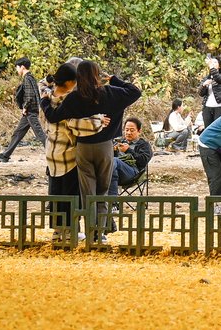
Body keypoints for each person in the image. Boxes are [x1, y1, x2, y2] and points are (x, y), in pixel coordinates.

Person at [42, 59, 142, 238]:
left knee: (87, 192)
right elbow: (135, 91)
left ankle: (88, 232)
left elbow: (54, 116)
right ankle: (99, 234)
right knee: (102, 190)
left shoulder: (74, 97)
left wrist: (45, 102)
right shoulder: (110, 92)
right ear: (97, 74)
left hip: (83, 148)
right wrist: (114, 79)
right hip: (105, 147)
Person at [40, 62, 105, 242]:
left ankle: (57, 231)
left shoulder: (48, 95)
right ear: (69, 82)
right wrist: (99, 121)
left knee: (55, 191)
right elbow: (77, 125)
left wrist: (47, 82)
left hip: (51, 152)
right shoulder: (69, 99)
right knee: (70, 194)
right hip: (68, 152)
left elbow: (42, 83)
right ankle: (70, 231)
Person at [0, 57, 47, 162]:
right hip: (30, 111)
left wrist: (25, 107)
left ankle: (53, 152)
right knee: (18, 133)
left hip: (30, 111)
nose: (17, 70)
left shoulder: (27, 78)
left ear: (22, 67)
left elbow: (30, 95)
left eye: (17, 68)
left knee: (40, 134)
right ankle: (5, 155)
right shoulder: (30, 78)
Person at [109, 116, 153, 196]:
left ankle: (113, 201)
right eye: (127, 130)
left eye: (132, 130)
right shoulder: (119, 142)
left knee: (114, 161)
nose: (129, 133)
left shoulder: (144, 145)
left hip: (133, 174)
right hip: (114, 173)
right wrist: (114, 150)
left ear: (139, 131)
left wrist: (128, 150)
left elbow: (143, 161)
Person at [199, 56, 221, 128]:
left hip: (219, 106)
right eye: (212, 62)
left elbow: (217, 78)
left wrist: (211, 66)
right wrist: (204, 85)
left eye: (215, 62)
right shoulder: (206, 78)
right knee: (208, 129)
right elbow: (200, 93)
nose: (213, 64)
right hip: (207, 106)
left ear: (219, 66)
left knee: (217, 129)